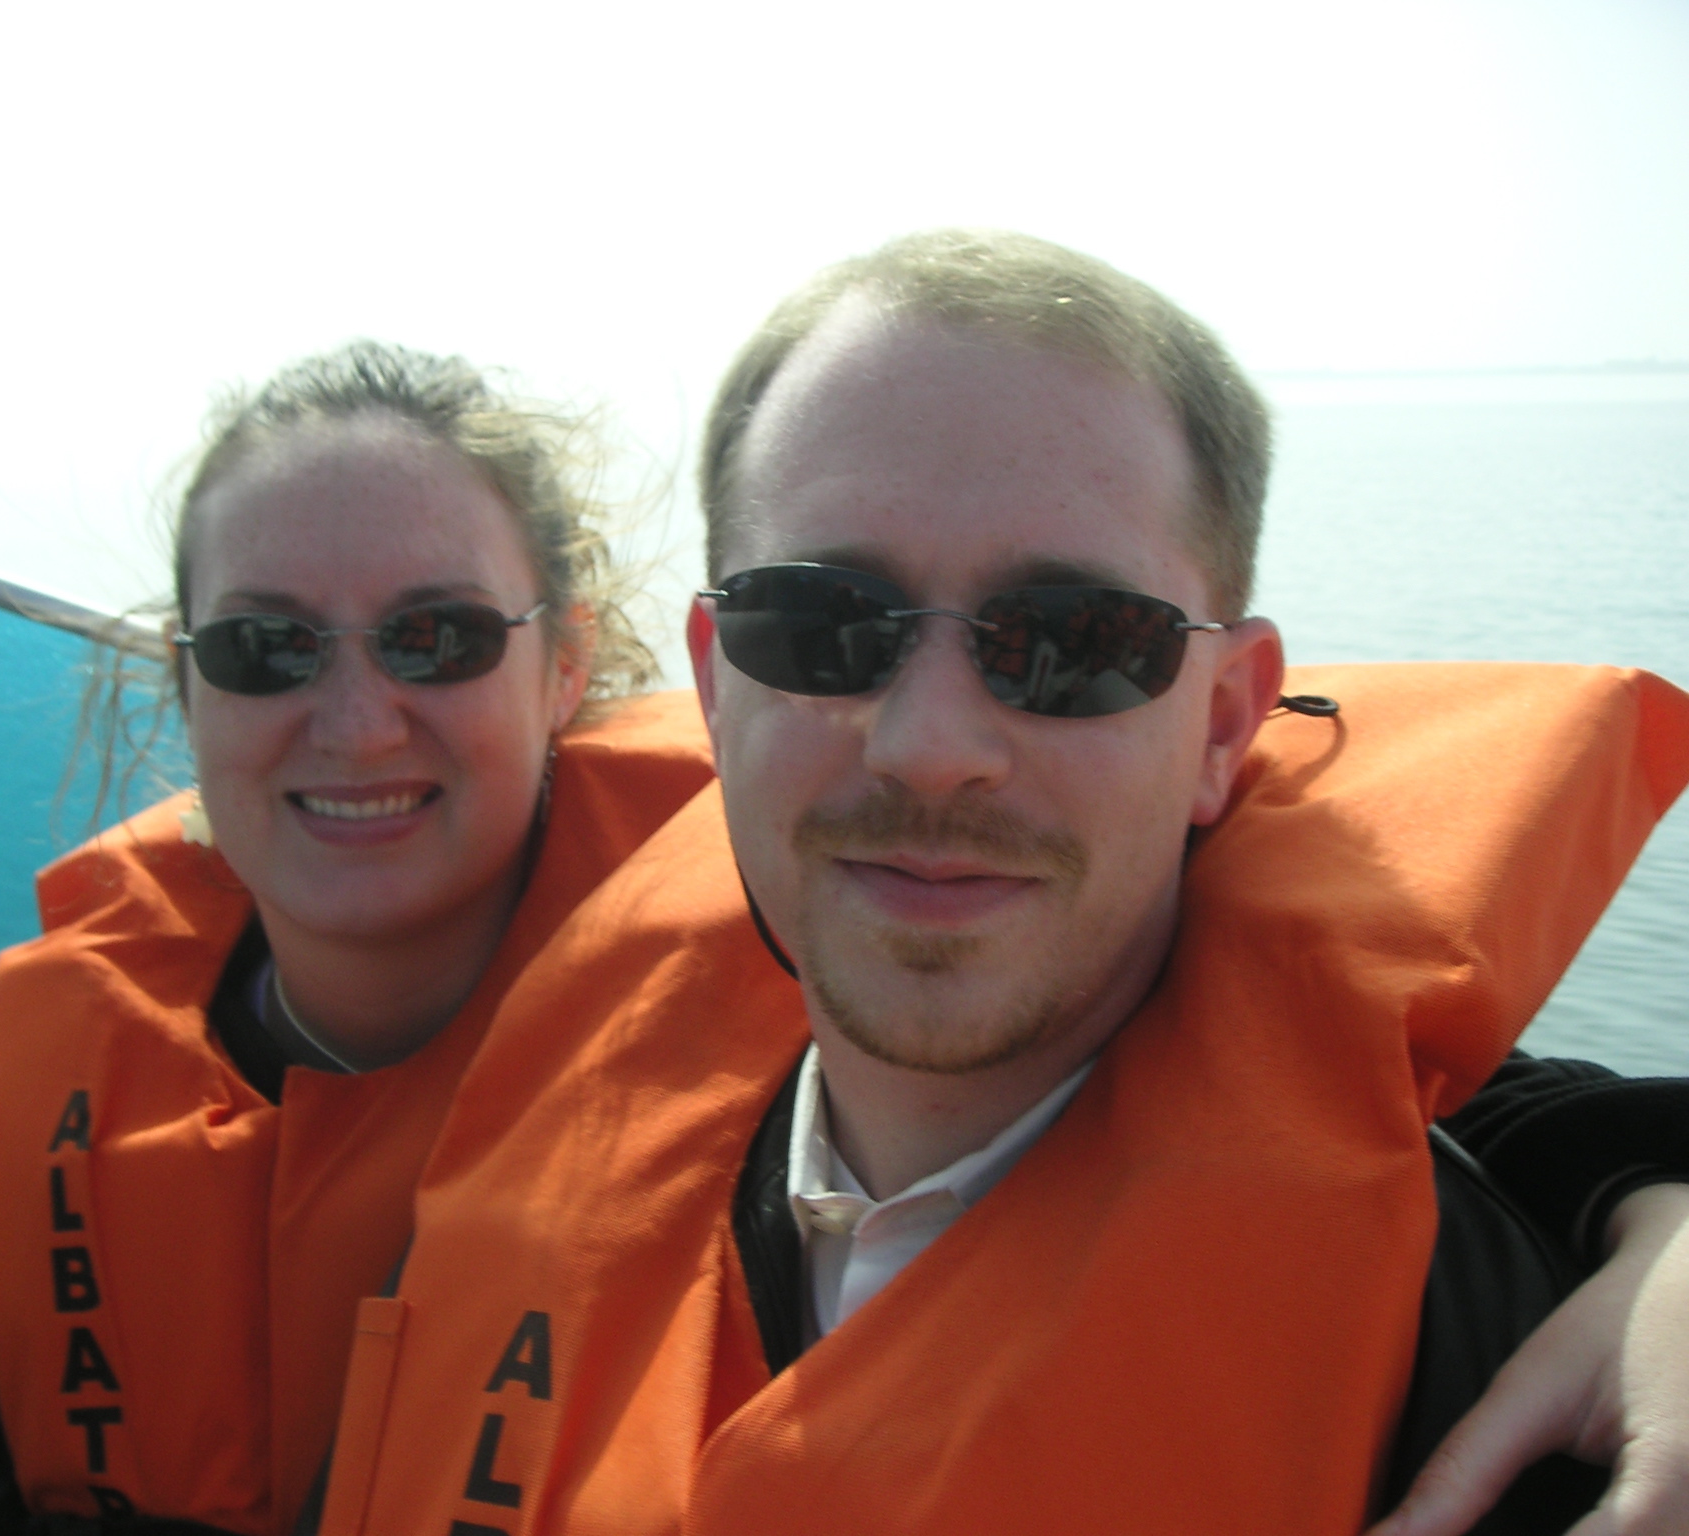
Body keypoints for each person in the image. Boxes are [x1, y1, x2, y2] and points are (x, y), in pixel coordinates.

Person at [316, 233, 1689, 1536]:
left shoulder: (1519, 1391)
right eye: (822, 625)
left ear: (1223, 723)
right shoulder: (542, 1089)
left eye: (1071, 641)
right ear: (717, 680)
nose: (931, 747)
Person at [0, 342, 716, 1533]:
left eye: (438, 638)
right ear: (188, 684)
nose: (354, 727)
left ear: (564, 666)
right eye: (267, 649)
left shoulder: (770, 1061)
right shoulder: (84, 1052)